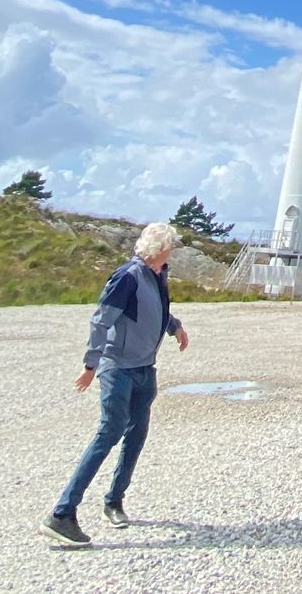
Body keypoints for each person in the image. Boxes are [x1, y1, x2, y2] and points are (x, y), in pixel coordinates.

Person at [42, 221, 191, 547]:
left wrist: (175, 327)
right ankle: (62, 513)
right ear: (158, 248)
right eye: (170, 249)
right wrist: (90, 365)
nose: (172, 255)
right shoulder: (127, 277)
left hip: (144, 370)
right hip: (118, 370)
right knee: (109, 433)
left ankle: (114, 501)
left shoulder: (157, 275)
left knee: (136, 435)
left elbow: (156, 312)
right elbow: (101, 319)